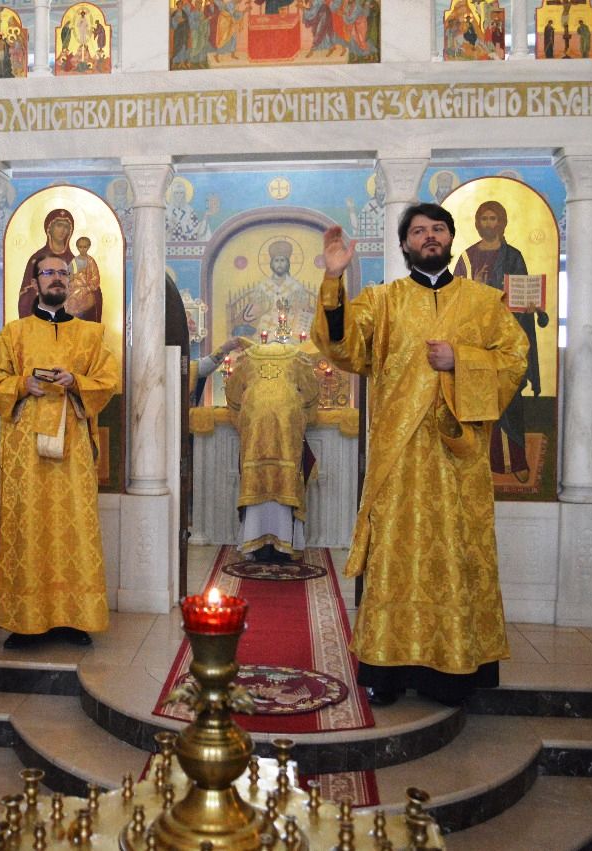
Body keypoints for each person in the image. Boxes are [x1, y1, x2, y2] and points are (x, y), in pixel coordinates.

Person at [312, 204, 528, 706]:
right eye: (418, 231)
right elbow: (343, 348)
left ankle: (452, 674)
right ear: (405, 244)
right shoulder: (382, 301)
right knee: (395, 558)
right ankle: (385, 672)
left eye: (437, 229)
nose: (429, 237)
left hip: (459, 457)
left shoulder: (483, 302)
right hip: (399, 456)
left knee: (455, 555)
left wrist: (462, 360)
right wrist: (334, 280)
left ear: (451, 238)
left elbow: (515, 359)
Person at [0, 255, 119, 649]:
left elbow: (108, 379)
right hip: (25, 451)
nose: (57, 279)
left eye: (63, 273)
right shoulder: (14, 333)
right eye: (49, 273)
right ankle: (25, 621)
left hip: (73, 447)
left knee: (74, 525)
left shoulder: (90, 335)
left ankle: (74, 618)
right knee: (26, 525)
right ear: (35, 282)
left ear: (70, 281)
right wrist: (22, 384)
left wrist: (76, 381)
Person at [453, 200, 549, 483]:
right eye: (484, 218)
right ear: (477, 223)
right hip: (476, 343)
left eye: (494, 218)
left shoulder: (513, 256)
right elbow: (453, 299)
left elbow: (522, 293)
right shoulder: (467, 258)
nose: (489, 224)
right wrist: (475, 287)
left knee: (510, 400)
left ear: (502, 223)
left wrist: (531, 308)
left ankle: (515, 460)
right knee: (477, 401)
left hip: (507, 340)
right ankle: (478, 464)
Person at [224, 334, 320, 562]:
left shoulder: (247, 357)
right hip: (287, 424)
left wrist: (242, 420)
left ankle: (254, 542)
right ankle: (284, 544)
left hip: (255, 423)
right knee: (285, 479)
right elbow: (311, 393)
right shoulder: (297, 357)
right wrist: (305, 416)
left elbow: (233, 394)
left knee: (255, 477)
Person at [18, 209, 75, 318]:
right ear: (49, 228)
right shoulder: (36, 259)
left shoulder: (74, 261)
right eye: (59, 225)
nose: (62, 230)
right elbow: (26, 296)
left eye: (66, 227)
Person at [65, 236, 103, 322]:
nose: (82, 249)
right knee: (69, 302)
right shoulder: (74, 261)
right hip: (73, 288)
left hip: (87, 289)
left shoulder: (91, 261)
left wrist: (88, 288)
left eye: (85, 247)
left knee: (82, 301)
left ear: (89, 247)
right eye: (80, 247)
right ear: (77, 247)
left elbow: (96, 277)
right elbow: (67, 275)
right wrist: (74, 276)